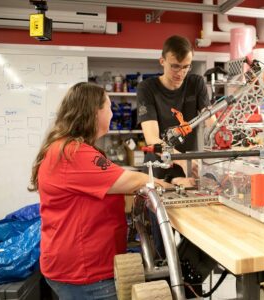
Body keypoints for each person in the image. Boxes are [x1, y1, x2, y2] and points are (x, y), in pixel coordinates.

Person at [28, 82, 168, 299]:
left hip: (72, 265)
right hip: (85, 272)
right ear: (94, 112)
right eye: (109, 107)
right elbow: (129, 180)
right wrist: (166, 184)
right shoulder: (74, 152)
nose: (112, 114)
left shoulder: (67, 147)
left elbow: (108, 187)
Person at [137, 35, 211, 187]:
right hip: (159, 169)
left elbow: (212, 123)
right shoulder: (147, 88)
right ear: (162, 61)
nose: (180, 73)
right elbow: (152, 139)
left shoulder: (196, 83)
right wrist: (184, 161)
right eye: (175, 66)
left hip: (188, 169)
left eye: (186, 67)